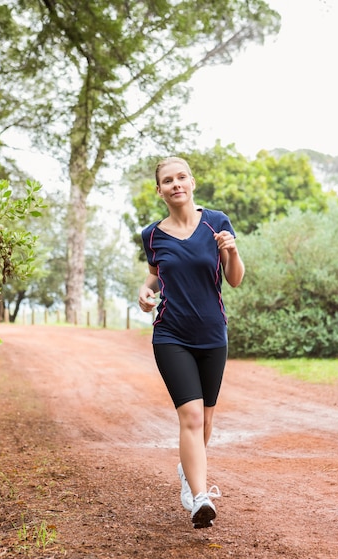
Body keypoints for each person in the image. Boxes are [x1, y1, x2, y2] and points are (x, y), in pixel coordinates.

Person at [138, 156, 244, 529]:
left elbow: (235, 279)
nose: (176, 184)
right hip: (171, 334)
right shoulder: (152, 234)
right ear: (160, 190)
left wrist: (230, 250)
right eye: (168, 180)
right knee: (192, 415)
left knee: (207, 420)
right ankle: (199, 498)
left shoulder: (216, 222)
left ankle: (189, 472)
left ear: (192, 182)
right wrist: (145, 291)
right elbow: (154, 275)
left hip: (213, 334)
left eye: (181, 177)